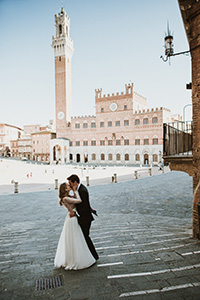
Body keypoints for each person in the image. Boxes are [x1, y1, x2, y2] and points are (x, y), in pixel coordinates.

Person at [54, 182, 96, 270]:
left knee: (76, 238)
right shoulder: (65, 198)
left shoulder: (67, 197)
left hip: (73, 217)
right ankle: (76, 259)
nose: (69, 186)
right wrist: (75, 191)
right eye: (68, 185)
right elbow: (79, 200)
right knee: (76, 238)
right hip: (72, 219)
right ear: (65, 189)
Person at [67, 174, 99, 260]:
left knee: (85, 237)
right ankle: (90, 255)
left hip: (85, 218)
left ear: (75, 182)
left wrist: (76, 213)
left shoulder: (82, 191)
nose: (69, 185)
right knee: (84, 237)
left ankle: (94, 256)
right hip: (84, 217)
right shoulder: (79, 189)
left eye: (70, 183)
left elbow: (84, 206)